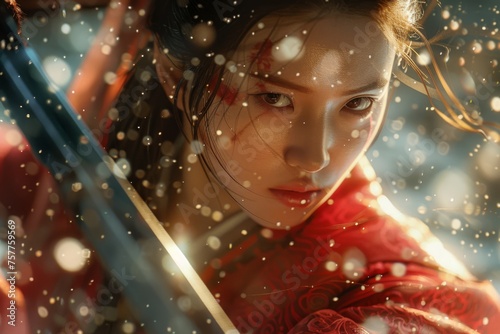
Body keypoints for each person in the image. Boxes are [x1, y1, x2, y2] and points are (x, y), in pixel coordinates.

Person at [1, 0, 499, 333]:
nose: (318, 156)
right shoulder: (130, 114)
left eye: (359, 105)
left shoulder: (389, 295)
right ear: (174, 72)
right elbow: (22, 184)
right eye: (276, 97)